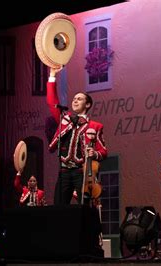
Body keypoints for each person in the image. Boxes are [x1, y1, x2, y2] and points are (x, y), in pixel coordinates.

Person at [47, 67, 107, 205]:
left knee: (83, 209)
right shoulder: (65, 118)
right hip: (64, 171)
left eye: (79, 99)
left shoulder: (95, 126)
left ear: (87, 104)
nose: (75, 101)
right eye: (74, 99)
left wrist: (94, 153)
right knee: (59, 209)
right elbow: (52, 102)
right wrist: (52, 76)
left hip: (82, 172)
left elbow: (103, 152)